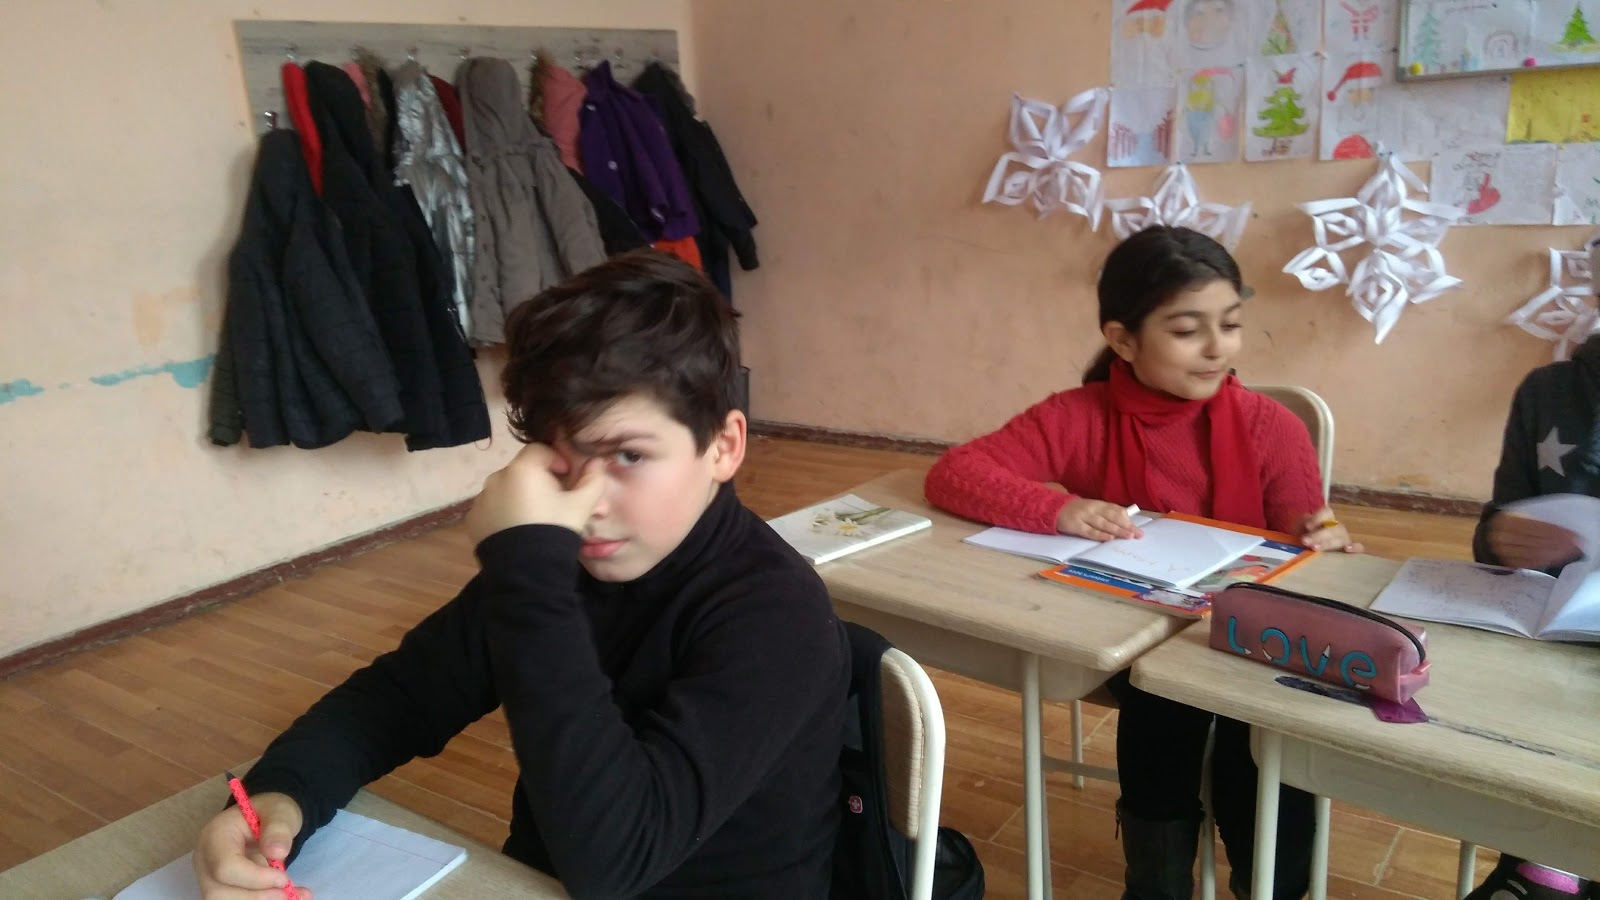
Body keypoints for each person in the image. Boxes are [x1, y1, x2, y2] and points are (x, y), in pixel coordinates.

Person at [191, 250, 851, 900]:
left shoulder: (777, 613)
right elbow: (398, 699)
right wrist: (282, 794)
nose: (586, 503)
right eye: (560, 460)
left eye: (628, 455)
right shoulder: (558, 567)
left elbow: (618, 861)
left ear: (724, 446)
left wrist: (529, 568)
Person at [923, 225, 1359, 900]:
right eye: (1187, 330)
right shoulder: (1079, 416)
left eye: (1231, 324)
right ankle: (1157, 884)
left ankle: (1272, 884)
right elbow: (955, 473)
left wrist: (1324, 535)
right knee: (1165, 699)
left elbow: (1306, 533)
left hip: (1249, 645)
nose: (1218, 349)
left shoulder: (1270, 426)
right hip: (1137, 642)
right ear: (1123, 340)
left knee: (1258, 728)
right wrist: (1057, 508)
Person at [1463, 325, 1599, 900]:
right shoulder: (1548, 392)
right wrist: (1501, 539)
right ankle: (1545, 865)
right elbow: (1495, 529)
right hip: (1548, 653)